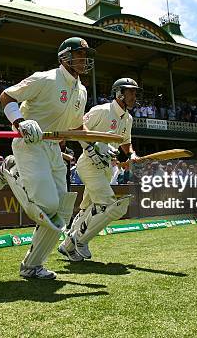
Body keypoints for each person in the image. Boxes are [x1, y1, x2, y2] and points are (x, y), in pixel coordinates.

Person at [0, 36, 93, 279]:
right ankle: (11, 168)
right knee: (48, 205)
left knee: (61, 211)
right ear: (64, 57)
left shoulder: (81, 91)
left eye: (85, 55)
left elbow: (75, 128)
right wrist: (21, 121)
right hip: (30, 143)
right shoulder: (46, 78)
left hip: (52, 150)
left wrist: (95, 146)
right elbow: (6, 97)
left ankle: (31, 266)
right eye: (79, 55)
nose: (84, 59)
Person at [59, 77, 139, 262]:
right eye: (131, 91)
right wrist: (91, 148)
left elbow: (125, 143)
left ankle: (67, 246)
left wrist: (131, 156)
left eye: (135, 92)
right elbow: (76, 127)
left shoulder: (128, 118)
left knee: (88, 207)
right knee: (109, 205)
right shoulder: (102, 110)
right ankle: (79, 239)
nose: (134, 95)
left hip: (106, 167)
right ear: (119, 93)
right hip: (88, 163)